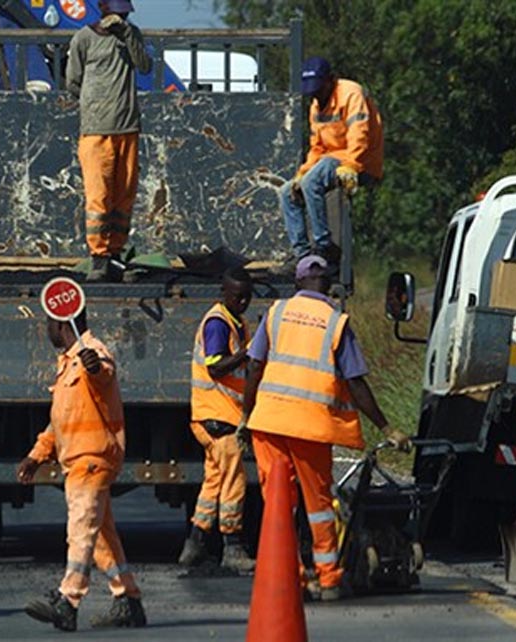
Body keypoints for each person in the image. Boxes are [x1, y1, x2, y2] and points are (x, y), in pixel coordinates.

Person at [240, 255, 409, 601]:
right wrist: (387, 427)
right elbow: (357, 383)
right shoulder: (336, 323)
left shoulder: (276, 313)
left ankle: (289, 578)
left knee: (278, 504)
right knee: (317, 506)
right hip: (310, 428)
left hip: (268, 424)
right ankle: (329, 578)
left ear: (299, 284)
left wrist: (246, 415)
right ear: (329, 286)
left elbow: (255, 368)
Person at [18, 307, 146, 631]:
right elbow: (61, 420)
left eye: (48, 322)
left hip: (92, 458)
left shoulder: (93, 353)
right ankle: (128, 600)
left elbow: (103, 372)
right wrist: (36, 456)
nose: (46, 330)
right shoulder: (68, 363)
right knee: (102, 535)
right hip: (77, 459)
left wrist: (95, 367)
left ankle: (68, 600)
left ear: (61, 323)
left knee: (80, 530)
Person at [65, 0, 152, 282]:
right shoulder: (84, 38)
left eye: (124, 13)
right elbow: (73, 82)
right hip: (96, 130)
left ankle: (115, 254)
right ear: (102, 10)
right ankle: (99, 256)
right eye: (117, 12)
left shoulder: (131, 35)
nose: (120, 16)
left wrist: (127, 34)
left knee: (123, 196)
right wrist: (94, 106)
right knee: (99, 197)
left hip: (127, 129)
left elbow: (145, 65)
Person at [178, 267, 257, 572]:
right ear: (224, 293)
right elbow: (215, 368)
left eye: (247, 296)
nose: (243, 301)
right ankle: (233, 546)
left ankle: (195, 543)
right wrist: (247, 354)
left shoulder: (235, 321)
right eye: (238, 296)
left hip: (215, 413)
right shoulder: (217, 324)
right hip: (217, 415)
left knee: (214, 480)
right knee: (234, 480)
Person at [276, 57, 383, 274]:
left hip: (359, 161)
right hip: (331, 159)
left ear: (331, 80)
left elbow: (360, 134)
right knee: (287, 192)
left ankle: (324, 248)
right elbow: (317, 146)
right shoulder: (316, 105)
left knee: (312, 182)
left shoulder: (351, 94)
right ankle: (303, 256)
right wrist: (302, 173)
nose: (316, 96)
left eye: (319, 89)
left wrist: (352, 164)